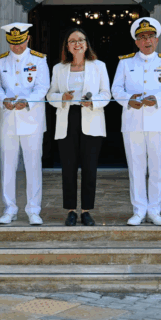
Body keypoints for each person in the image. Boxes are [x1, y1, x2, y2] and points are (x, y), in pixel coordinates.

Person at [111, 17, 161, 226]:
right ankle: (138, 210)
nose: (147, 40)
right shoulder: (125, 62)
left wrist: (155, 99)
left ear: (156, 40)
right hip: (133, 122)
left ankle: (155, 210)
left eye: (150, 36)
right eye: (142, 37)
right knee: (136, 168)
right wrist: (129, 100)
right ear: (136, 41)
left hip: (158, 121)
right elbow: (116, 89)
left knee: (157, 169)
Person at [46, 28, 112, 226]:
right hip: (68, 119)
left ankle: (86, 211)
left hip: (91, 118)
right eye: (72, 40)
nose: (77, 43)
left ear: (86, 44)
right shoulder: (59, 68)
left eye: (81, 40)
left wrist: (92, 102)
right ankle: (71, 210)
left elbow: (106, 93)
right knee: (68, 168)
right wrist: (62, 98)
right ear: (67, 46)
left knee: (90, 168)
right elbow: (50, 95)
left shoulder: (99, 66)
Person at [0, 23, 49, 226]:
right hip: (8, 120)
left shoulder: (39, 59)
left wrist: (28, 101)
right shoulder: (0, 61)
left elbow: (42, 86)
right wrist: (3, 101)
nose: (17, 47)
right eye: (13, 43)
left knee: (33, 166)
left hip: (31, 120)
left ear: (28, 39)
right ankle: (10, 209)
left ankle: (33, 209)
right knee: (7, 167)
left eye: (20, 42)